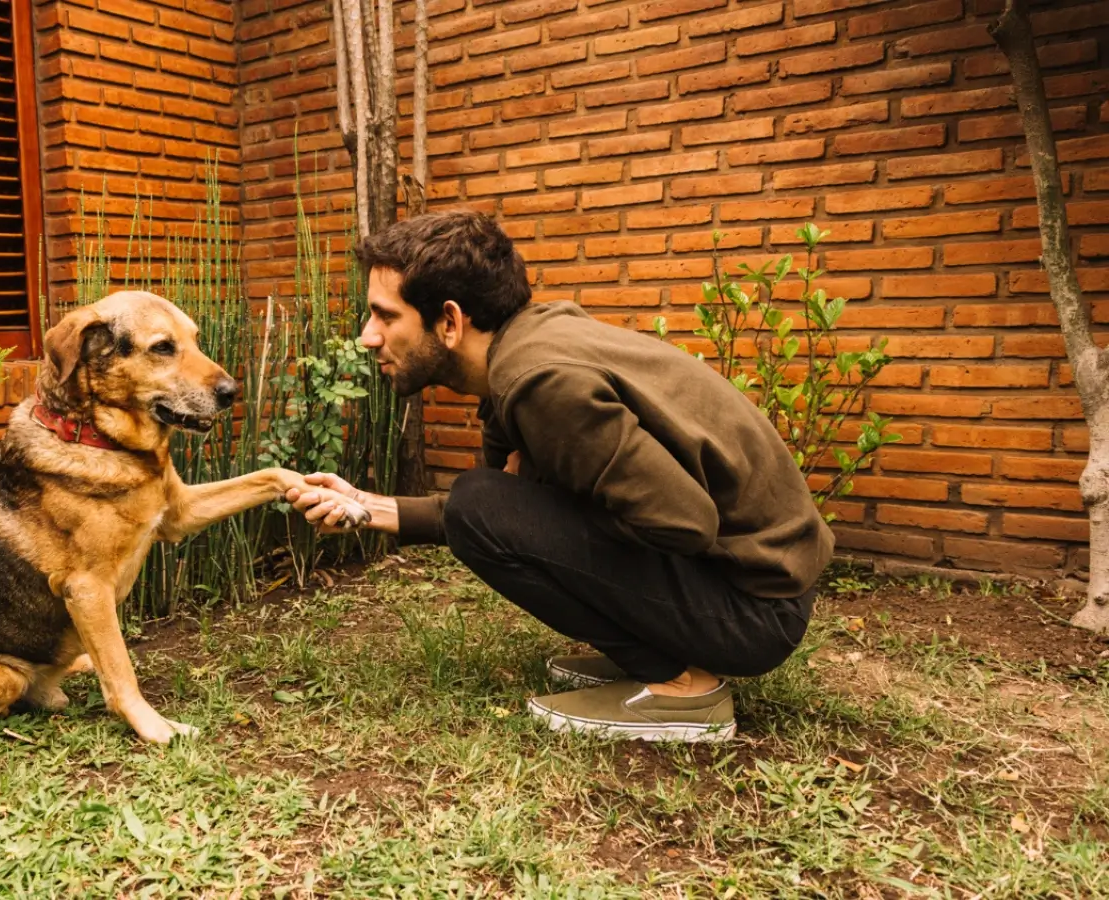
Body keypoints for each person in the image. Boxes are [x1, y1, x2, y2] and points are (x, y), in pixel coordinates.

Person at [287, 211, 832, 743]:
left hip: (754, 612)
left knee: (481, 500)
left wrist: (543, 489)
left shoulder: (541, 381)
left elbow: (684, 523)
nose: (367, 337)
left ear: (449, 322)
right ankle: (665, 654)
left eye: (385, 316)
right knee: (484, 499)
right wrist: (368, 505)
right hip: (751, 586)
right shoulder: (527, 345)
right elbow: (498, 507)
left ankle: (682, 686)